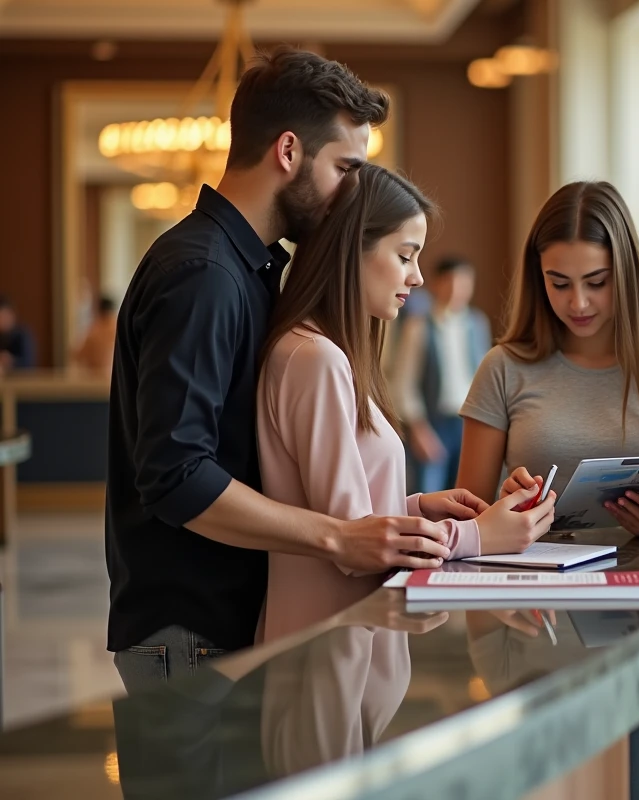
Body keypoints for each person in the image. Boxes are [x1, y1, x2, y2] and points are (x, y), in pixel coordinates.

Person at [105, 47, 447, 692]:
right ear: (289, 151)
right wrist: (340, 538)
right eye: (346, 167)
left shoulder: (254, 269)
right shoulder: (204, 274)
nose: (355, 192)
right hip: (190, 636)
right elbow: (177, 476)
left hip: (229, 628)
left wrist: (403, 511)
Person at [456, 181, 639, 800]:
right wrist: (503, 503)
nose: (579, 302)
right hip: (524, 624)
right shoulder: (505, 367)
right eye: (558, 282)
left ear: (627, 270)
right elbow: (465, 512)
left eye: (597, 280)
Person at [256, 164, 555, 643]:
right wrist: (477, 536)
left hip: (351, 638)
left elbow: (338, 513)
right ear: (352, 250)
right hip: (328, 644)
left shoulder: (327, 354)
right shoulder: (315, 359)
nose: (417, 278)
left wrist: (419, 508)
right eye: (405, 256)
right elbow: (354, 543)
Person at [391, 255, 492, 493]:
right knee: (430, 493)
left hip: (469, 422)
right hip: (434, 422)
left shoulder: (478, 323)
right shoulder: (418, 326)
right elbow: (404, 383)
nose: (457, 291)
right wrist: (419, 429)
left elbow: (486, 378)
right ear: (436, 284)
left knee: (467, 494)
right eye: (450, 282)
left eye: (464, 284)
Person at [73, 295, 119, 376]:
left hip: (95, 380)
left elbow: (79, 356)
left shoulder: (94, 330)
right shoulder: (119, 329)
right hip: (114, 379)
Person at [0, 294, 36, 373]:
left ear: (12, 315)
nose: (2, 321)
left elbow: (29, 363)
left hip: (21, 381)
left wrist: (11, 361)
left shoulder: (22, 334)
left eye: (4, 316)